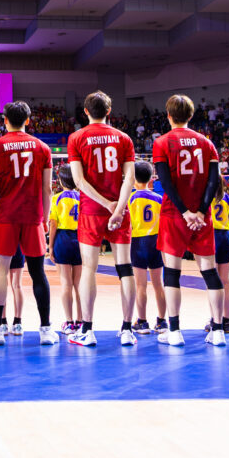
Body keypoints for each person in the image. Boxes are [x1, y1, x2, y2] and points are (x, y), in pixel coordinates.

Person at [0, 101, 57, 346]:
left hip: (5, 216)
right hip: (32, 216)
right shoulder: (43, 148)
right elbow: (48, 188)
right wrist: (44, 219)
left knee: (0, 271)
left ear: (5, 120)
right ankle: (45, 330)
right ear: (28, 120)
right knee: (37, 273)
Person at [151, 95, 225, 347]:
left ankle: (174, 331)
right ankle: (217, 330)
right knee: (210, 272)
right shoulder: (207, 143)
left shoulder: (161, 143)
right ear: (191, 115)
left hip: (175, 215)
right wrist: (201, 212)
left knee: (172, 274)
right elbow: (213, 182)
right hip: (202, 217)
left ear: (168, 115)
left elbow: (165, 182)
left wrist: (184, 211)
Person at [66, 90, 136, 346]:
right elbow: (130, 178)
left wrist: (106, 204)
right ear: (109, 111)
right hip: (120, 209)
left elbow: (79, 180)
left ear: (85, 112)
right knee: (125, 269)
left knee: (88, 269)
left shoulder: (76, 137)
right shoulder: (124, 138)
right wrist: (118, 208)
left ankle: (87, 329)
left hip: (92, 211)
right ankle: (128, 329)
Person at [128, 162, 166, 337]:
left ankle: (142, 322)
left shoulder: (130, 199)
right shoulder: (159, 199)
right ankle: (162, 321)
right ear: (151, 178)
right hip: (156, 242)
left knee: (140, 285)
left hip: (138, 243)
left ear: (133, 179)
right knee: (159, 285)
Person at [48, 167, 82, 334]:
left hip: (63, 239)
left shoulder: (57, 198)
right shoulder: (84, 196)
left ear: (61, 180)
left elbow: (53, 224)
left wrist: (50, 247)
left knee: (66, 284)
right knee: (79, 284)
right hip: (80, 240)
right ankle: (82, 321)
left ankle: (69, 322)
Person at [209, 180, 229, 334]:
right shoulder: (226, 198)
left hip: (211, 236)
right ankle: (226, 321)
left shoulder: (207, 196)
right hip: (224, 236)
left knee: (212, 281)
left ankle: (214, 319)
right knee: (225, 280)